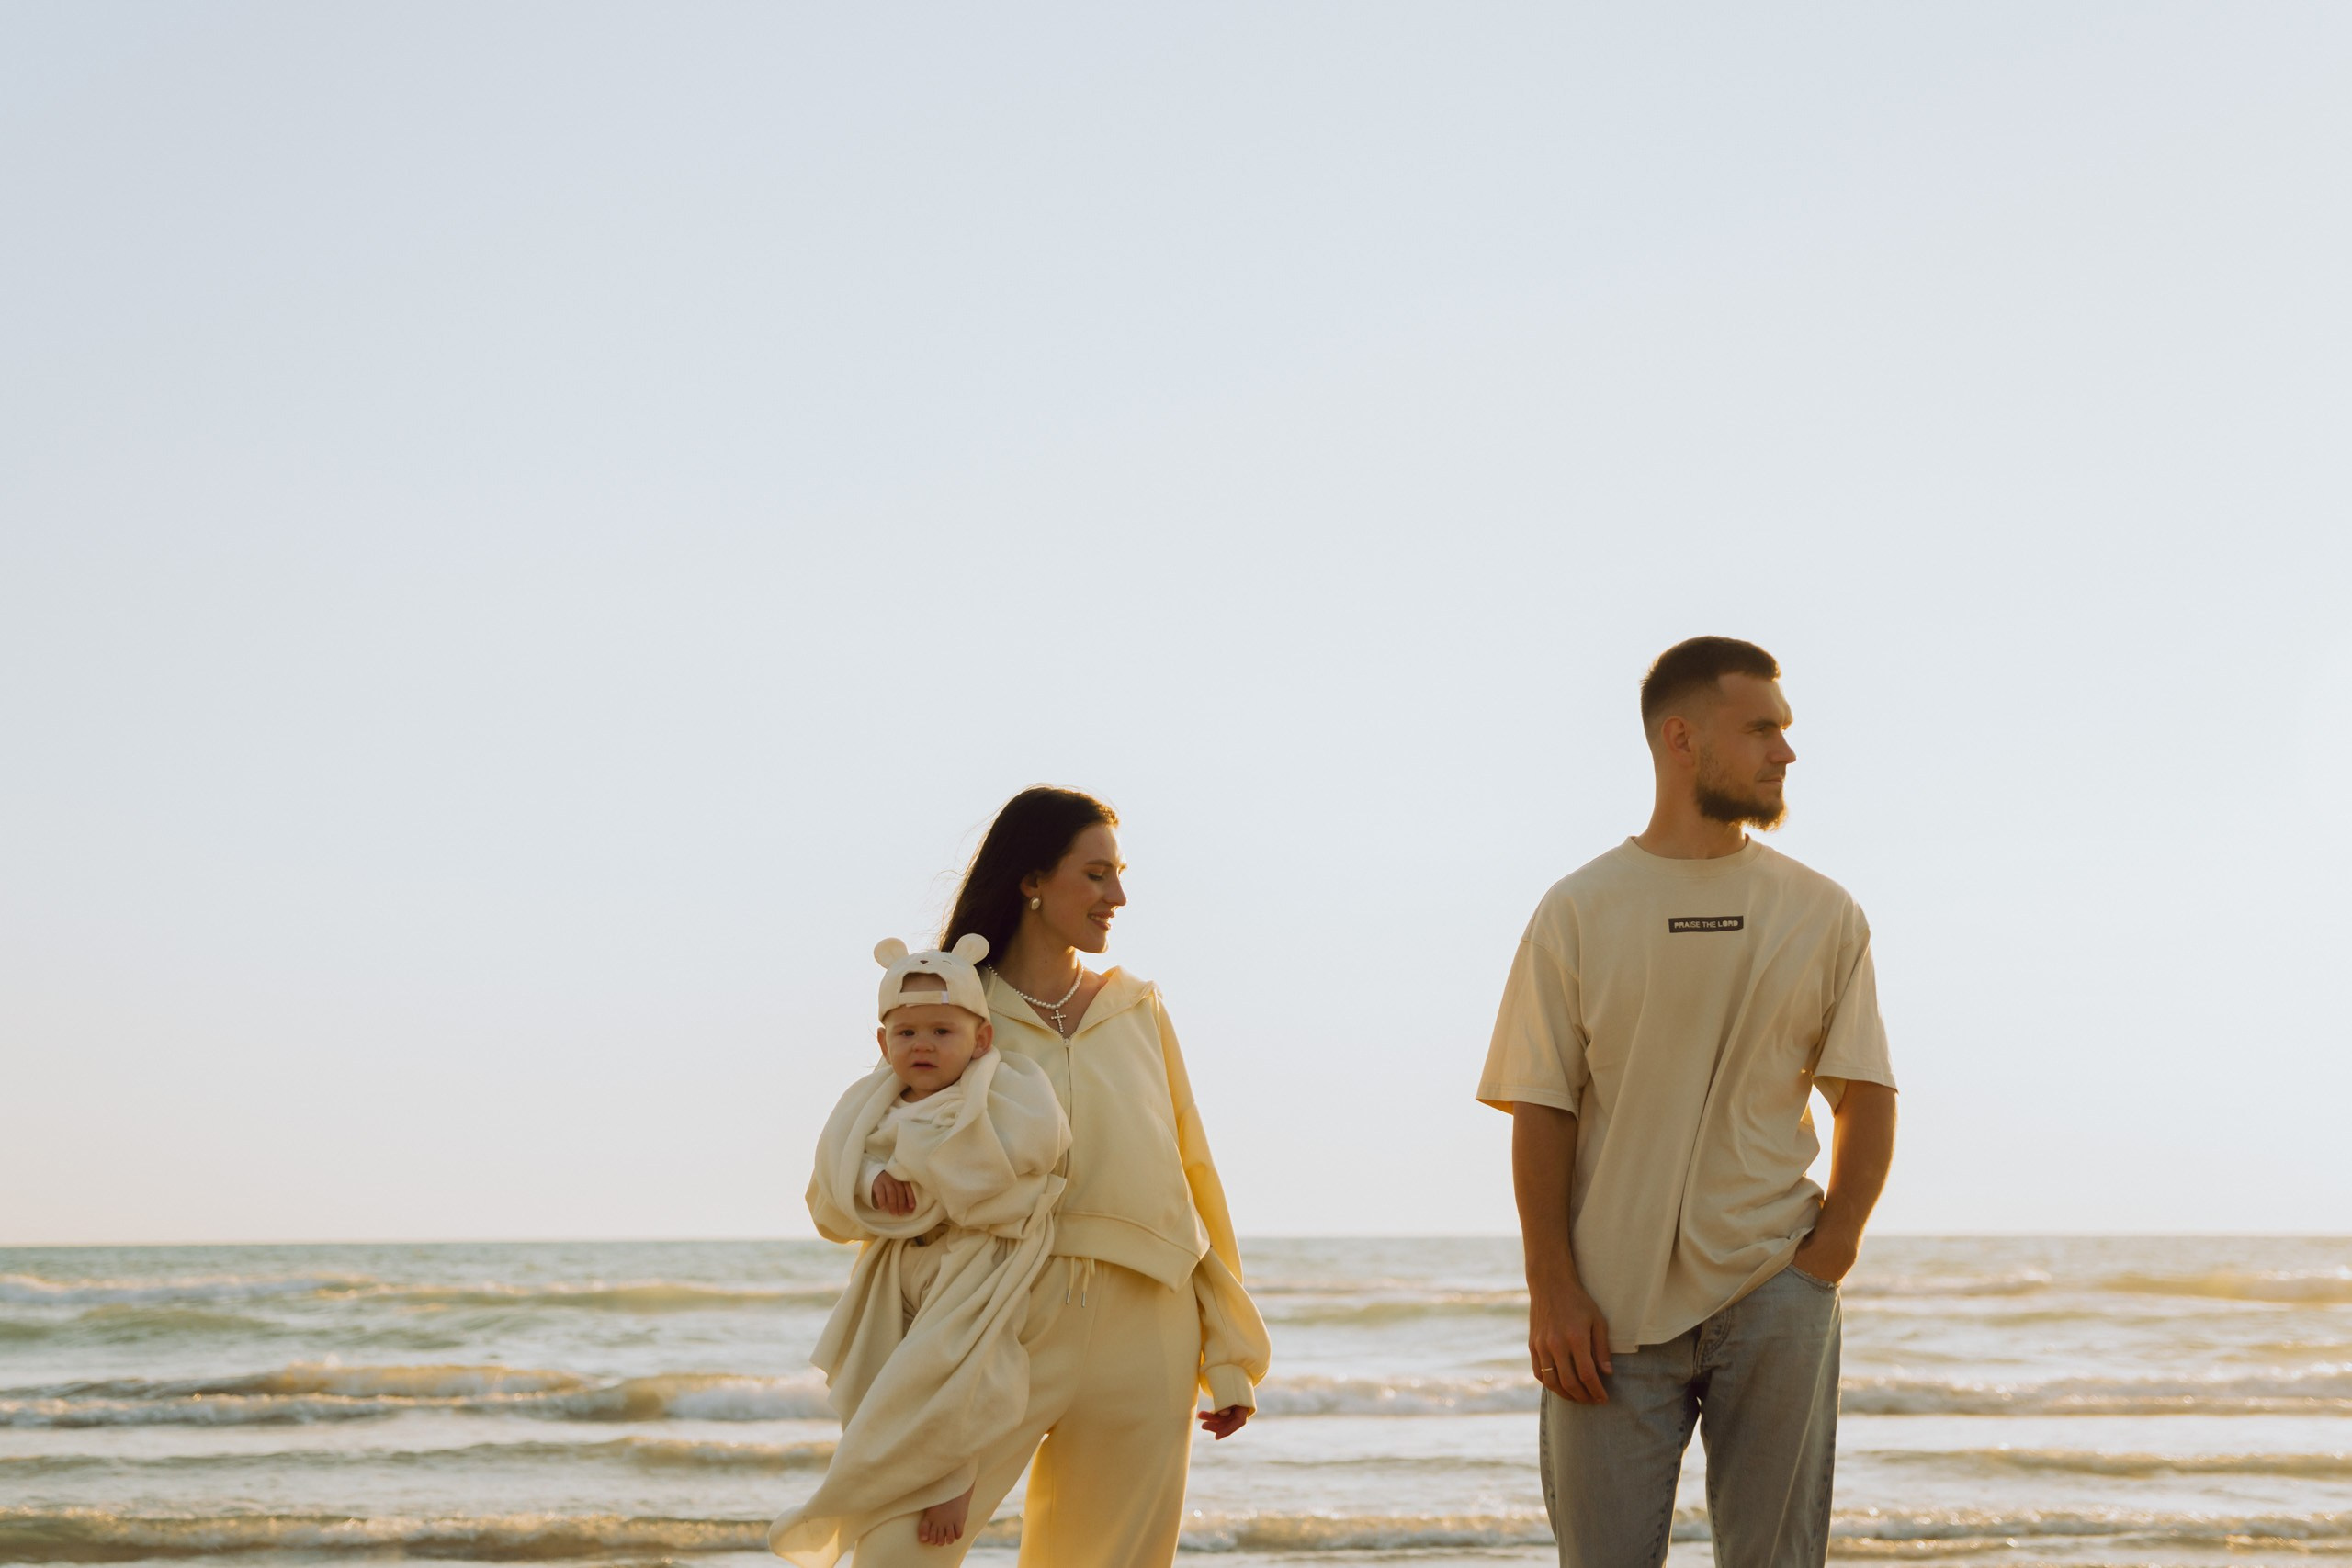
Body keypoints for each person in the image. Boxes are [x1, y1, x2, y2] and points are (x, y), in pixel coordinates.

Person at [1477, 637, 1899, 1568]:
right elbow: (1542, 1107)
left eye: (1785, 730)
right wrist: (1551, 1285)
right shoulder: (1578, 908)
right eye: (1760, 730)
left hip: (1775, 1287)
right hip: (1606, 1310)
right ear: (1681, 739)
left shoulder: (1823, 911)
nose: (1785, 752)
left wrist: (1828, 1256)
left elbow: (1865, 1092)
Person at [841, 784, 1271, 1568]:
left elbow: (1191, 1174)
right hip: (998, 1320)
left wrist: (1231, 1350)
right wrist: (875, 1188)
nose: (1117, 897)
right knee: (898, 1554)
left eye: (1119, 875)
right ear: (1032, 880)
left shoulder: (1139, 1007)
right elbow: (861, 1154)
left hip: (1150, 1328)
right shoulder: (955, 1010)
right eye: (1096, 874)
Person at [770, 935, 1071, 1565]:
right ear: (884, 1045)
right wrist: (870, 1179)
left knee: (956, 1367)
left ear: (980, 1040)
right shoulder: (870, 1105)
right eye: (906, 1033)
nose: (923, 1045)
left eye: (942, 1031)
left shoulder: (1001, 1092)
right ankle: (882, 1484)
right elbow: (837, 1169)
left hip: (976, 1257)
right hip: (898, 1263)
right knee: (882, 1377)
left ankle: (952, 1482)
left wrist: (919, 1169)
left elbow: (1022, 1154)